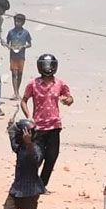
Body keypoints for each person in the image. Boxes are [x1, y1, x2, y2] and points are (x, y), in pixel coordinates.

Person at [21, 54, 74, 186]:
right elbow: (24, 101)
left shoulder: (60, 84)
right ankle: (28, 181)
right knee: (37, 157)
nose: (48, 68)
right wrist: (29, 116)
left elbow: (69, 98)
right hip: (38, 127)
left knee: (51, 158)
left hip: (54, 126)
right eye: (45, 65)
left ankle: (42, 185)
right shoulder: (33, 84)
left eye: (50, 65)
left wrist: (67, 100)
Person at [2, 119, 44, 209]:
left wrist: (29, 144)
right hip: (17, 189)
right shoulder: (19, 146)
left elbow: (36, 160)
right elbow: (13, 140)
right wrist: (10, 127)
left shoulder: (37, 147)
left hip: (30, 191)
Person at [5, 13, 32, 101]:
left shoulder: (26, 33)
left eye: (19, 21)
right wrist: (9, 46)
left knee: (20, 74)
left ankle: (18, 91)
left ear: (23, 22)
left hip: (21, 55)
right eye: (16, 21)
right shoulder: (11, 32)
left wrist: (23, 46)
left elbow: (29, 44)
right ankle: (15, 92)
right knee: (14, 73)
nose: (17, 23)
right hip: (13, 55)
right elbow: (7, 42)